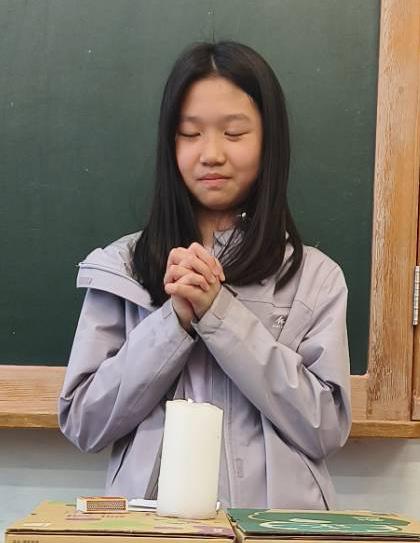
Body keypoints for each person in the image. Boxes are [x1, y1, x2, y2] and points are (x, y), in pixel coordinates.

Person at [59, 41, 351, 509]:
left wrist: (220, 314)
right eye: (190, 133)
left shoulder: (314, 277)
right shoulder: (123, 267)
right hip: (154, 532)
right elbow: (84, 423)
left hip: (274, 531)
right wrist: (173, 321)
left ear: (269, 141)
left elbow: (326, 429)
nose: (211, 154)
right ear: (169, 142)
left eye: (234, 133)